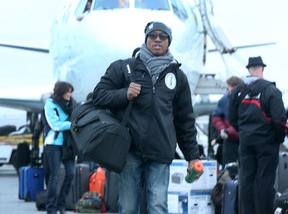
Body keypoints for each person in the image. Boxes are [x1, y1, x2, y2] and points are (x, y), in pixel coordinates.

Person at [92, 21, 201, 213]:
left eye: (163, 36)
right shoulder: (125, 68)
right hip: (130, 150)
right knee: (127, 207)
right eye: (153, 35)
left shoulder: (178, 77)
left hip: (161, 152)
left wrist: (192, 157)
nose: (157, 39)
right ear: (146, 39)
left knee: (158, 206)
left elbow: (185, 120)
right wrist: (124, 94)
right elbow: (99, 95)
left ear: (169, 41)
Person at [228, 56, 287, 214]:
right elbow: (280, 120)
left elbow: (231, 118)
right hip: (267, 144)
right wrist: (278, 138)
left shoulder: (237, 91)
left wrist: (244, 132)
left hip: (246, 143)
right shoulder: (271, 90)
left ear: (249, 70)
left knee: (246, 182)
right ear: (262, 69)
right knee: (265, 183)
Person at [44, 81, 77, 214]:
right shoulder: (50, 104)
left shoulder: (73, 104)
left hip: (68, 144)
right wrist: (73, 125)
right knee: (55, 176)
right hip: (54, 144)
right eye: (68, 91)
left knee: (71, 173)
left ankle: (61, 204)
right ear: (61, 92)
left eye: (71, 91)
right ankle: (51, 208)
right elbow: (55, 125)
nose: (70, 94)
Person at [212, 76, 242, 168]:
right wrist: (223, 129)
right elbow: (216, 117)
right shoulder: (224, 100)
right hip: (229, 141)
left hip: (243, 141)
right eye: (230, 87)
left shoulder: (246, 99)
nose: (230, 89)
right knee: (228, 170)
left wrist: (228, 131)